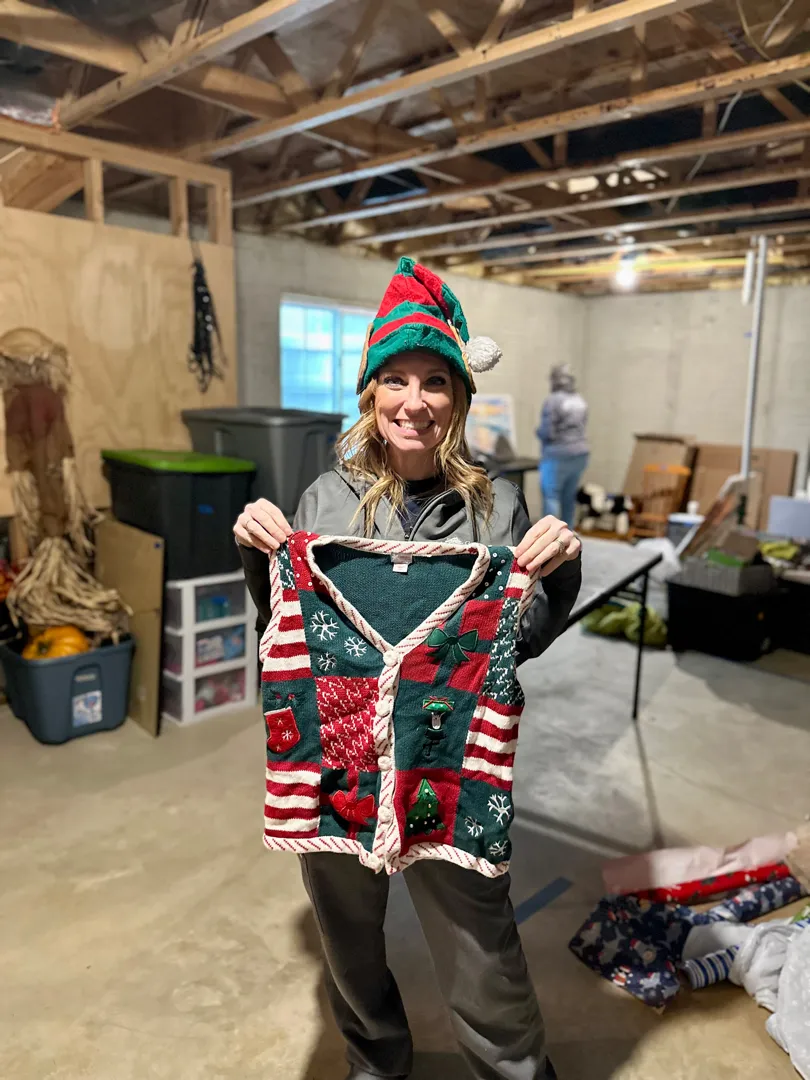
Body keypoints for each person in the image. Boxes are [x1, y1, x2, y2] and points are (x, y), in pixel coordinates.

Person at [235, 258, 582, 1080]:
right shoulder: (324, 499)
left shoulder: (498, 505)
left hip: (449, 762)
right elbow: (289, 630)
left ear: (459, 397)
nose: (413, 401)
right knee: (347, 939)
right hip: (337, 755)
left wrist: (561, 572)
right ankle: (376, 1061)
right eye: (395, 379)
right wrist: (258, 556)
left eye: (435, 381)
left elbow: (520, 636)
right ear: (371, 393)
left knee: (481, 947)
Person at [536, 364, 589, 528]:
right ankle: (568, 533)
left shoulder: (553, 400)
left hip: (557, 454)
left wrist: (538, 432)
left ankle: (549, 535)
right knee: (568, 497)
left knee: (551, 496)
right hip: (580, 453)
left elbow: (548, 432)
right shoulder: (579, 400)